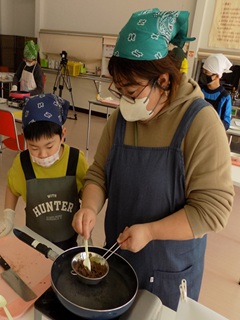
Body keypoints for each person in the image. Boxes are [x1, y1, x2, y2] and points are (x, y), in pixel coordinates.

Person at [72, 8, 234, 310]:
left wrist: (152, 231)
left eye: (131, 90)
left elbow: (213, 211)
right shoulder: (121, 119)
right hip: (118, 261)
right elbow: (98, 174)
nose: (124, 101)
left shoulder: (200, 123)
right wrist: (89, 207)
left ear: (163, 80)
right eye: (119, 90)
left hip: (169, 274)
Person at [0, 93, 88, 250]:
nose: (43, 154)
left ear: (63, 135)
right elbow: (12, 189)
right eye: (34, 147)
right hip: (35, 242)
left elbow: (88, 191)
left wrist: (87, 218)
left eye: (49, 146)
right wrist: (8, 216)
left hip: (69, 241)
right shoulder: (23, 163)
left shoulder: (75, 160)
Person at [199, 53, 232, 130]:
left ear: (217, 76)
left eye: (206, 73)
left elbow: (226, 123)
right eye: (203, 71)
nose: (203, 75)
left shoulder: (225, 97)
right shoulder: (199, 89)